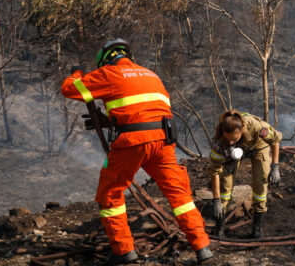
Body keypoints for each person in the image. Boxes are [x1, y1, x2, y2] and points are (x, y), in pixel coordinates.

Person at [61, 39, 213, 264]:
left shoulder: (108, 73)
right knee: (180, 196)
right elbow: (145, 111)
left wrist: (76, 73)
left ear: (105, 60)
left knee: (110, 195)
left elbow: (69, 90)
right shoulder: (151, 74)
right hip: (163, 142)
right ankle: (203, 249)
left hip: (131, 144)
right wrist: (110, 121)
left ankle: (125, 252)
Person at [207, 110, 282, 238]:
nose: (230, 142)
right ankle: (219, 228)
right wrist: (216, 200)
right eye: (228, 139)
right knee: (226, 182)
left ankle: (256, 227)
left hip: (258, 146)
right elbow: (215, 171)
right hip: (235, 152)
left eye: (234, 139)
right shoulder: (220, 142)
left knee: (261, 182)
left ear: (242, 129)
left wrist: (275, 166)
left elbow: (275, 140)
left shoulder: (257, 127)